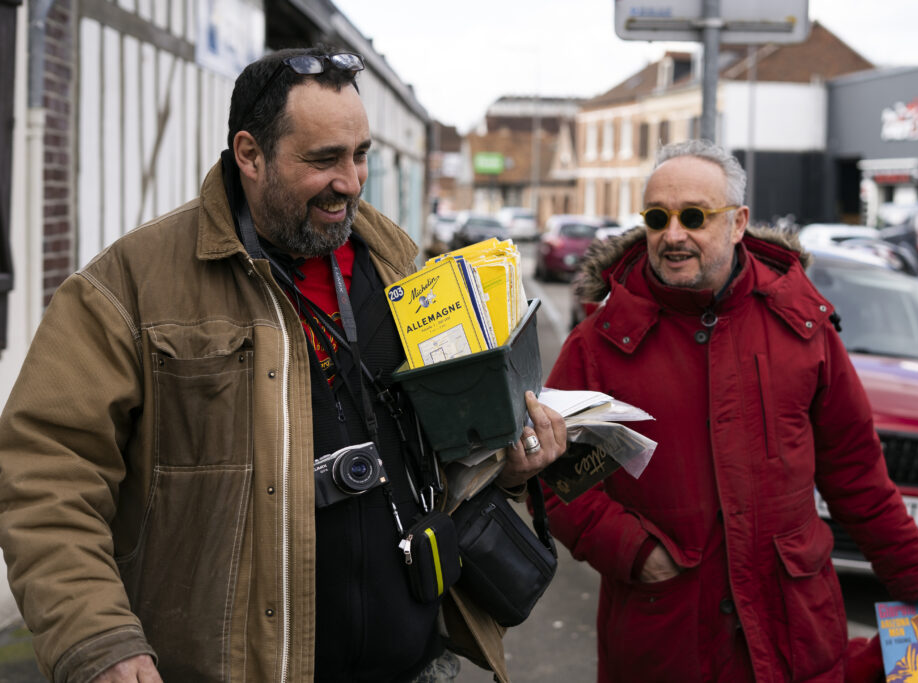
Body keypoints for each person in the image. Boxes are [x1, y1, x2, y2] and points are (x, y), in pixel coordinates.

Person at [0, 46, 565, 683]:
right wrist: (97, 640)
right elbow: (46, 477)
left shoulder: (399, 263)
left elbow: (441, 448)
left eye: (360, 156)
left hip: (418, 665)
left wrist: (509, 465)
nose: (350, 182)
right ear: (249, 154)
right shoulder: (129, 286)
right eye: (323, 160)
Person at [543, 139, 918, 682]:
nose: (673, 234)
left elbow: (856, 474)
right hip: (664, 639)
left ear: (738, 223)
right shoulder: (599, 345)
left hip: (794, 633)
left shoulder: (803, 327)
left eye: (693, 216)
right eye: (657, 217)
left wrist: (917, 575)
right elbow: (559, 483)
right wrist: (636, 554)